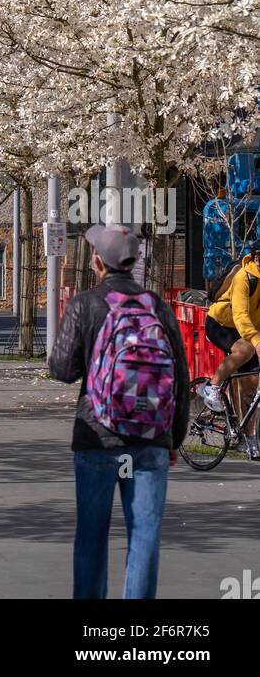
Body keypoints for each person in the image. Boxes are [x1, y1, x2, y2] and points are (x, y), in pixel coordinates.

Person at [49, 224, 189, 601]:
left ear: (97, 261)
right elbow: (179, 375)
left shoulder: (85, 304)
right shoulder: (157, 306)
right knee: (144, 537)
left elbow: (62, 370)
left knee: (91, 536)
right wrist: (173, 438)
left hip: (98, 437)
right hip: (149, 440)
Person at [201, 243, 260, 456]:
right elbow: (241, 315)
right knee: (245, 350)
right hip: (221, 324)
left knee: (251, 385)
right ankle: (212, 387)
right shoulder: (244, 278)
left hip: (246, 330)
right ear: (255, 258)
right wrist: (256, 340)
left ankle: (249, 436)